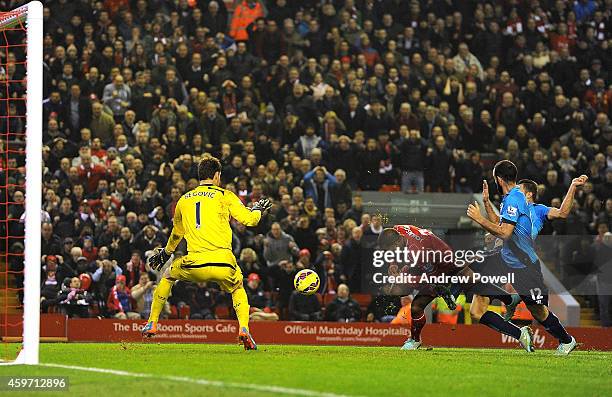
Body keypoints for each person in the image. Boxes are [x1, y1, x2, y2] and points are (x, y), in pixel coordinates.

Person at [142, 156, 271, 350]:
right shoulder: (225, 195)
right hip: (223, 263)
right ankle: (244, 329)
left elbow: (177, 233)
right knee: (237, 287)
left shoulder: (184, 200)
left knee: (167, 277)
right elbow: (250, 221)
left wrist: (167, 252)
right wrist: (259, 210)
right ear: (217, 175)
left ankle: (152, 322)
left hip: (194, 263)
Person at [467, 160, 577, 354]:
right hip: (504, 257)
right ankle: (510, 305)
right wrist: (486, 203)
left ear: (498, 179)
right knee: (474, 292)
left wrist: (479, 218)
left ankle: (566, 340)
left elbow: (504, 233)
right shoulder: (511, 199)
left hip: (524, 265)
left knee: (539, 311)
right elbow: (502, 225)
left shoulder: (519, 201)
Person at [377, 224, 531, 351]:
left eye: (389, 251)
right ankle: (510, 301)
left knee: (469, 292)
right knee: (471, 286)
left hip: (444, 268)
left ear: (397, 243)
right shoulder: (400, 230)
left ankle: (512, 309)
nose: (390, 254)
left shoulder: (416, 251)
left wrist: (404, 278)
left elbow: (429, 278)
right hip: (445, 259)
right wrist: (394, 264)